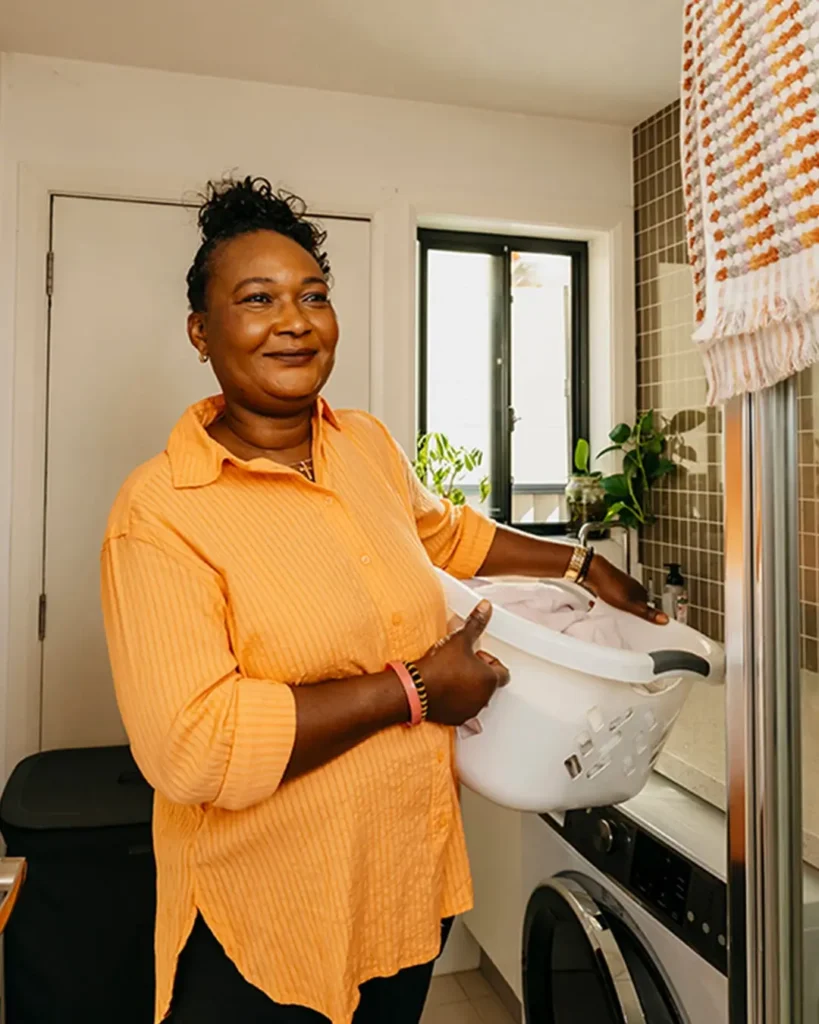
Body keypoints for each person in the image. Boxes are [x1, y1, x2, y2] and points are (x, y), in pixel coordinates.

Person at [100, 176, 665, 1024]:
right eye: (258, 299)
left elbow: (447, 535)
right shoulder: (160, 511)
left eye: (313, 296)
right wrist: (417, 691)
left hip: (405, 888)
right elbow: (194, 747)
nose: (294, 320)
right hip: (263, 924)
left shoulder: (362, 443)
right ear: (200, 331)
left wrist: (580, 567)